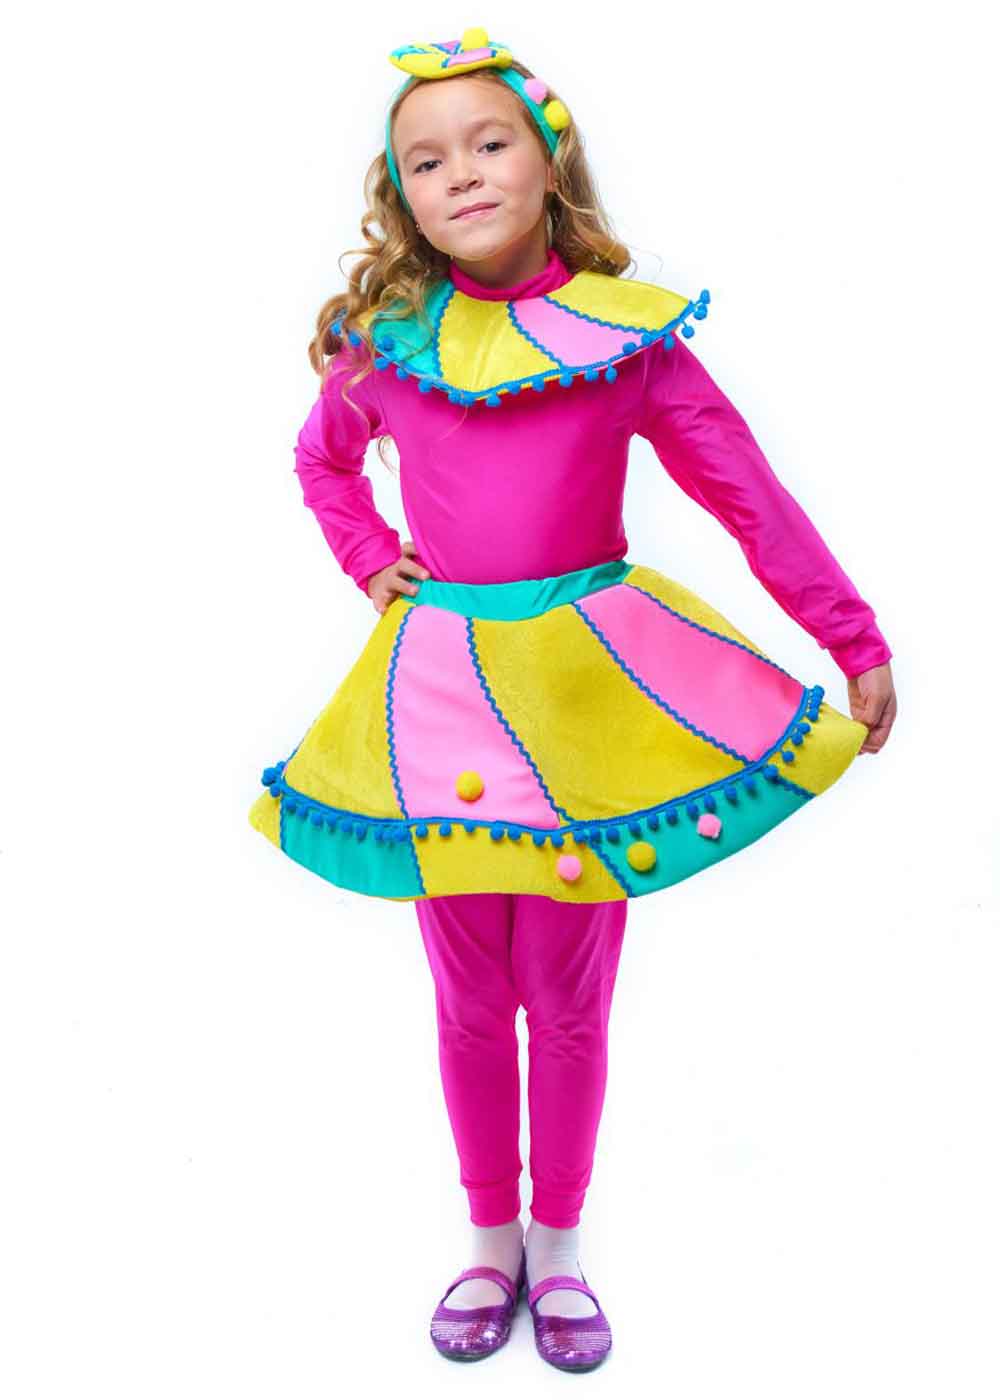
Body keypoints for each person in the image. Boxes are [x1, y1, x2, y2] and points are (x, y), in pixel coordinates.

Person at [248, 28, 897, 1371]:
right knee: (468, 996)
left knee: (569, 994)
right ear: (401, 194)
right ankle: (489, 1240)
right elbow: (322, 466)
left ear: (549, 160)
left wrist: (850, 633)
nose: (462, 174)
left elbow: (747, 492)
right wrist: (372, 558)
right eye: (427, 161)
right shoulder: (390, 345)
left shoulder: (626, 341)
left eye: (490, 142)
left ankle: (559, 1245)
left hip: (592, 700)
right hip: (440, 698)